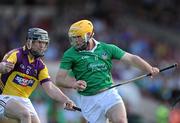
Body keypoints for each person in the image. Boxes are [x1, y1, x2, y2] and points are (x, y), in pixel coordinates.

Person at [55, 19, 160, 123]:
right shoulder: (69, 54)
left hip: (109, 94)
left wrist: (149, 68)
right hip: (88, 100)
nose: (76, 41)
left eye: (79, 37)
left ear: (89, 34)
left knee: (121, 120)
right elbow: (59, 79)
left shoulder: (107, 48)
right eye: (73, 38)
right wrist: (73, 84)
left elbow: (131, 58)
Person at [0, 28, 78, 123]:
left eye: (45, 43)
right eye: (39, 42)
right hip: (4, 96)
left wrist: (66, 100)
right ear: (29, 42)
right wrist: (4, 67)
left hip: (24, 100)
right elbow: (3, 66)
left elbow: (50, 88)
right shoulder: (16, 54)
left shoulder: (40, 66)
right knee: (25, 114)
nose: (42, 46)